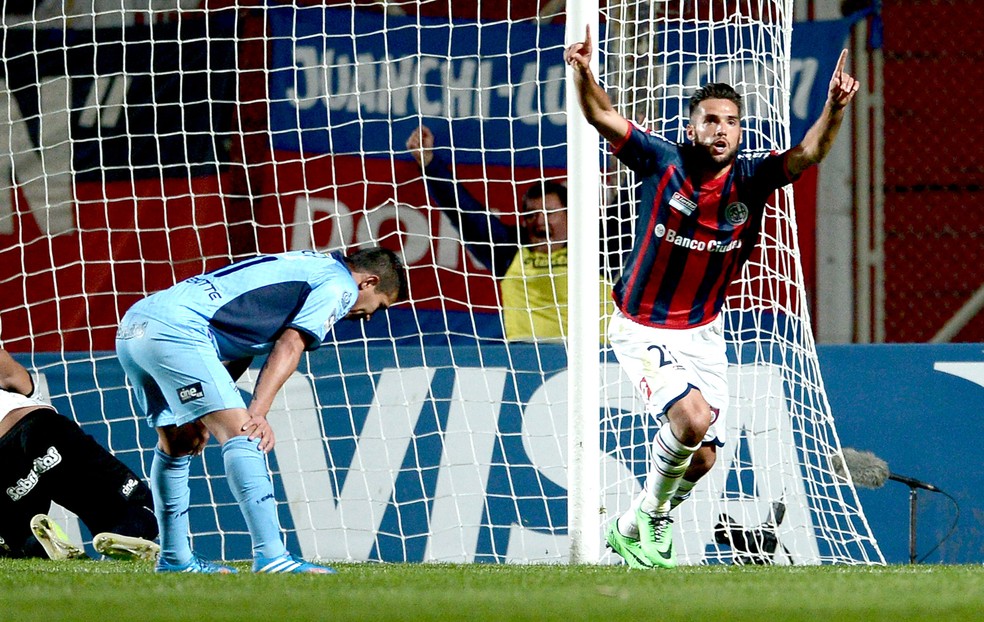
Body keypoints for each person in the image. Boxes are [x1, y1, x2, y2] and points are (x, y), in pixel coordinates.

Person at [565, 26, 858, 569]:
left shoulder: (753, 179)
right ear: (691, 127)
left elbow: (812, 150)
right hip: (642, 325)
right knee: (692, 420)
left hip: (703, 332)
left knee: (700, 459)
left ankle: (628, 527)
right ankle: (653, 519)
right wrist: (583, 73)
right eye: (710, 120)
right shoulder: (662, 161)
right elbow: (602, 115)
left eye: (731, 121)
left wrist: (835, 106)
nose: (721, 129)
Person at [115, 247, 408, 574]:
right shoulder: (340, 285)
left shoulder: (310, 264)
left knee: (179, 442)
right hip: (178, 330)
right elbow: (291, 344)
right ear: (369, 282)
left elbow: (240, 344)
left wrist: (209, 409)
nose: (369, 316)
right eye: (380, 306)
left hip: (135, 327)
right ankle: (272, 556)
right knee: (246, 434)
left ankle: (175, 558)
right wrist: (257, 412)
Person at [407, 126, 619, 342]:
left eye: (549, 213)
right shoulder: (508, 251)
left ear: (569, 215)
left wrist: (633, 142)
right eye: (531, 214)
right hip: (526, 357)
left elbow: (629, 210)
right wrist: (429, 163)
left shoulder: (596, 249)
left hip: (592, 356)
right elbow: (465, 212)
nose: (540, 220)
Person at [0, 347, 159, 561]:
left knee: (14, 540)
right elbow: (14, 377)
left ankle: (36, 547)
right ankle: (125, 532)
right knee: (137, 506)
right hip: (34, 426)